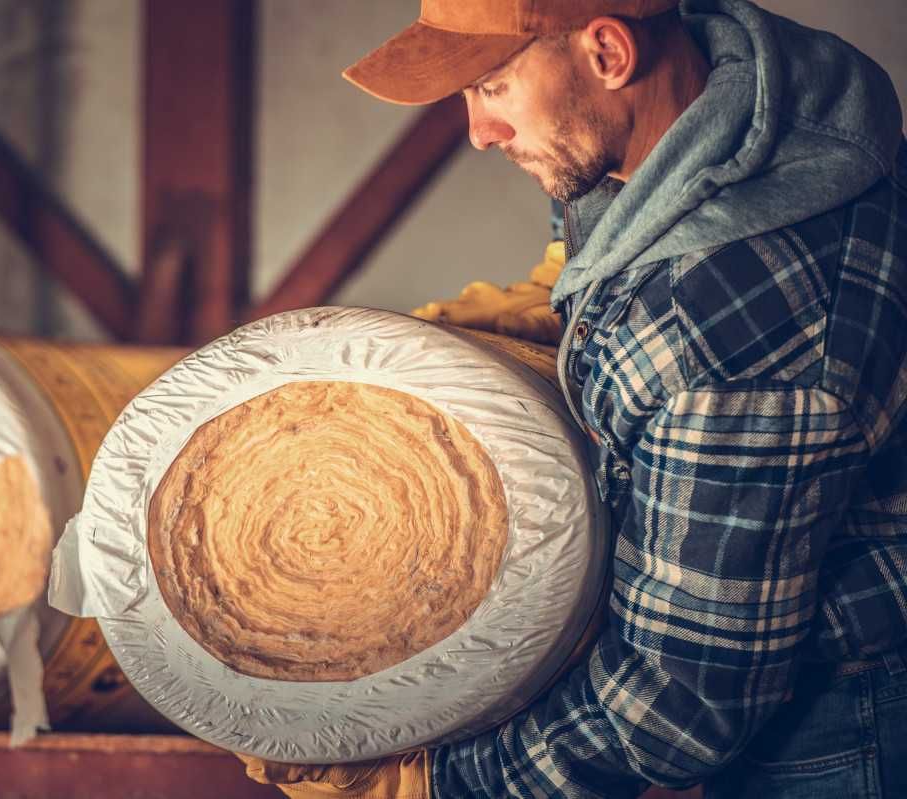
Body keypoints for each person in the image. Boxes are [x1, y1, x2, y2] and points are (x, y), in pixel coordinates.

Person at [241, 0, 907, 796]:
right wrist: (562, 296)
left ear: (607, 52)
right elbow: (628, 231)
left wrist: (430, 782)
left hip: (840, 729)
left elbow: (676, 704)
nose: (478, 134)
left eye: (491, 86)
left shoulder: (727, 344)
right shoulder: (752, 102)